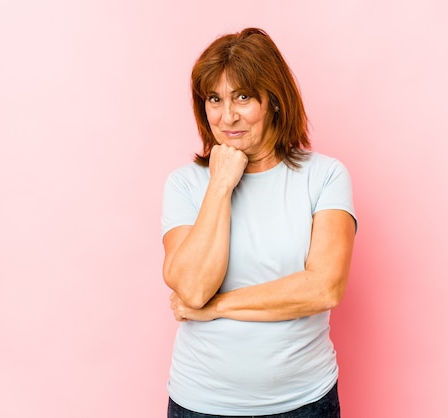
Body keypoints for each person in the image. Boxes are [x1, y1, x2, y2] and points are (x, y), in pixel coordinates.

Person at [161, 27, 357, 418]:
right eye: (214, 99)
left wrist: (218, 308)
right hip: (201, 404)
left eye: (243, 97)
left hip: (305, 402)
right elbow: (192, 288)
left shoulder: (325, 176)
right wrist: (220, 184)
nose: (227, 115)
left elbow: (324, 288)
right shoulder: (185, 183)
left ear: (274, 101)